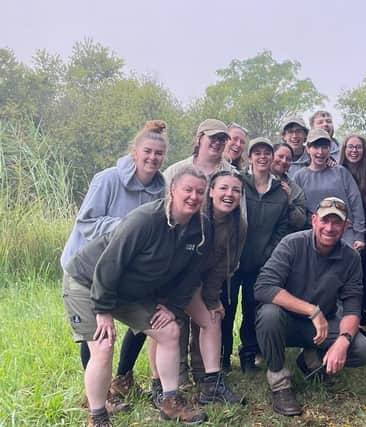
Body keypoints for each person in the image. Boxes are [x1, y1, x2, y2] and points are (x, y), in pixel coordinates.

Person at [63, 165, 210, 426]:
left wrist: (173, 307)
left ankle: (170, 401)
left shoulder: (200, 227)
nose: (193, 196)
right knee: (104, 345)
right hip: (88, 282)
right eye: (187, 189)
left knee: (169, 331)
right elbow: (109, 264)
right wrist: (104, 311)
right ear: (172, 191)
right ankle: (98, 415)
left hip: (129, 290)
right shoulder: (145, 220)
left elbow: (191, 274)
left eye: (200, 191)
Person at [60, 120, 168, 413]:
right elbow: (86, 223)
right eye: (147, 151)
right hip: (88, 266)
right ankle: (99, 397)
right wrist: (128, 228)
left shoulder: (162, 190)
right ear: (135, 151)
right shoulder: (107, 179)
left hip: (128, 271)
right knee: (98, 334)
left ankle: (124, 377)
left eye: (159, 154)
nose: (152, 158)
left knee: (144, 320)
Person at [254, 197, 366, 416]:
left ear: (346, 226)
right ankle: (280, 383)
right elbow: (263, 287)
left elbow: (352, 307)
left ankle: (311, 359)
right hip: (287, 321)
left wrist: (343, 341)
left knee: (363, 350)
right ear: (313, 220)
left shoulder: (351, 258)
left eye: (336, 222)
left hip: (323, 326)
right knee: (268, 314)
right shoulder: (292, 243)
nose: (329, 228)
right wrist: (312, 310)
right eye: (324, 220)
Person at [175, 170, 246, 404]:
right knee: (175, 323)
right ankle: (175, 377)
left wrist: (212, 298)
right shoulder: (193, 216)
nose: (229, 194)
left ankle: (207, 379)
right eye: (224, 188)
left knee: (211, 317)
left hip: (203, 282)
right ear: (211, 192)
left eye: (236, 190)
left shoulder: (238, 225)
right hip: (175, 281)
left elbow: (224, 266)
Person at [221, 137, 289, 372]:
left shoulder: (280, 192)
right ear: (249, 157)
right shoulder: (239, 184)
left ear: (272, 158)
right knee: (226, 310)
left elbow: (283, 227)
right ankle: (222, 358)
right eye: (257, 153)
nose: (262, 157)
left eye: (267, 153)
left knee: (252, 310)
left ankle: (248, 355)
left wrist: (268, 253)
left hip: (261, 263)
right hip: (233, 260)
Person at [293, 129, 366, 248]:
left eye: (325, 147)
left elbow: (356, 203)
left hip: (345, 234)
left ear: (330, 149)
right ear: (308, 149)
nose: (320, 152)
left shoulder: (341, 172)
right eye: (316, 147)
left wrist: (359, 235)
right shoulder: (299, 176)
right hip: (315, 237)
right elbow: (298, 210)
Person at [339, 134, 366, 336]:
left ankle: (362, 324)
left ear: (364, 150)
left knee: (363, 283)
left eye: (358, 147)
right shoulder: (337, 171)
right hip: (340, 235)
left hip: (365, 238)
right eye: (350, 147)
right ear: (344, 149)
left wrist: (364, 239)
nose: (354, 151)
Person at [164, 119, 235, 183]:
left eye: (222, 139)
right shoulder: (175, 171)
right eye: (212, 137)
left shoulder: (233, 174)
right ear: (199, 138)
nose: (217, 142)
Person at [271, 142, 307, 233]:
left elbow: (300, 222)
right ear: (271, 156)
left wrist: (289, 202)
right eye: (280, 156)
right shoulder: (255, 178)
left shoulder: (296, 190)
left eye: (288, 159)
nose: (284, 161)